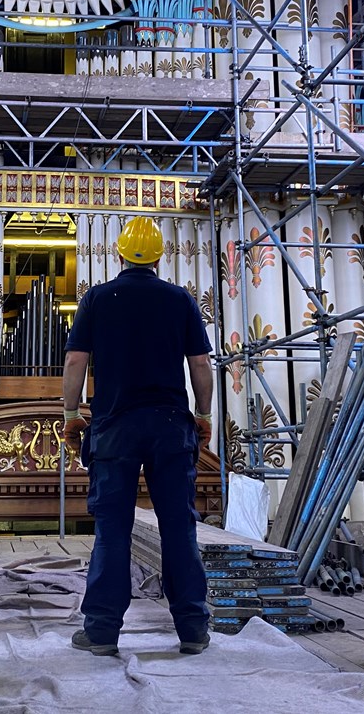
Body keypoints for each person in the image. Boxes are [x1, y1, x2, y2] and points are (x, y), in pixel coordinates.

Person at [60, 216, 215, 657]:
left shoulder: (97, 298)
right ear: (160, 257)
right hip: (170, 428)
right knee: (178, 528)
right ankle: (192, 630)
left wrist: (72, 415)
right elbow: (201, 366)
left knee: (113, 530)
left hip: (114, 429)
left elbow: (75, 364)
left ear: (120, 254)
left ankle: (103, 632)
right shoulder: (180, 299)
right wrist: (203, 415)